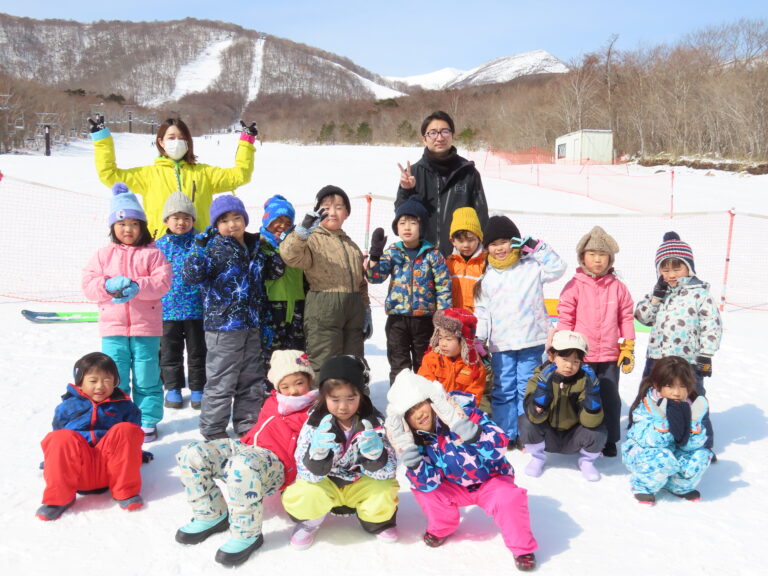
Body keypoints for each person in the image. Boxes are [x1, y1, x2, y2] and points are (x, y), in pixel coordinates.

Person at [175, 350, 318, 566]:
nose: (293, 391)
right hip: (246, 448)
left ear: (309, 380)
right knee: (191, 454)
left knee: (241, 469)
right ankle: (211, 514)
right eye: (285, 386)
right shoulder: (273, 402)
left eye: (299, 383)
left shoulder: (315, 412)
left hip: (277, 465)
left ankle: (247, 533)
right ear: (277, 387)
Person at [384, 370, 537, 572]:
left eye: (420, 404)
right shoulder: (417, 441)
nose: (418, 414)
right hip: (454, 487)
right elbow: (428, 483)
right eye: (410, 412)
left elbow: (500, 446)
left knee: (508, 499)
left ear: (431, 400)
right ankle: (442, 527)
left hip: (491, 481)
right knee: (423, 490)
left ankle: (522, 548)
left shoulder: (464, 413)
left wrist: (474, 434)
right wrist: (415, 465)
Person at [82, 183, 172, 442]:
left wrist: (138, 286)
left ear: (142, 226)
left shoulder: (153, 254)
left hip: (147, 328)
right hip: (113, 329)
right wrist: (106, 285)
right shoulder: (102, 255)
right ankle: (116, 418)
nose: (128, 229)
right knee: (114, 377)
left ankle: (147, 420)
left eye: (134, 224)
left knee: (147, 376)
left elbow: (163, 282)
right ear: (113, 227)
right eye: (122, 224)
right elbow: (88, 285)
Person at [281, 355, 399, 549]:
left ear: (361, 396)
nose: (343, 406)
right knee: (304, 491)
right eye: (335, 399)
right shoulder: (314, 423)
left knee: (384, 488)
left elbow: (389, 470)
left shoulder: (373, 422)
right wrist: (316, 458)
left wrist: (377, 458)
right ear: (323, 397)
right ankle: (310, 522)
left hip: (359, 482)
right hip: (326, 483)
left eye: (351, 399)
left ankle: (378, 523)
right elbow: (304, 471)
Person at [474, 215, 567, 447]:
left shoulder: (532, 266)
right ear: (487, 249)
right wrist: (478, 338)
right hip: (502, 344)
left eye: (504, 242)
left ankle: (526, 435)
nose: (499, 248)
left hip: (531, 340)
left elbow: (558, 268)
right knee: (503, 389)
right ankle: (506, 434)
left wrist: (537, 248)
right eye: (493, 244)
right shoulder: (487, 279)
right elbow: (483, 312)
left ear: (515, 242)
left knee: (527, 388)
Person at [182, 195, 269, 440]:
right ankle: (213, 428)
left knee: (251, 377)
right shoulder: (213, 248)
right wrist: (197, 251)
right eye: (224, 220)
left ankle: (246, 424)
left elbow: (271, 274)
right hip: (223, 327)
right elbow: (190, 276)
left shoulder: (255, 247)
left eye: (236, 218)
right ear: (216, 225)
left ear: (244, 219)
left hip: (251, 323)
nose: (232, 224)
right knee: (222, 380)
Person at [90, 116, 257, 238]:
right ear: (161, 142)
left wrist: (246, 142)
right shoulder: (147, 175)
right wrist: (102, 140)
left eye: (182, 138)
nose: (177, 142)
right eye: (171, 138)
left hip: (199, 246)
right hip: (160, 246)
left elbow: (240, 175)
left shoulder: (204, 173)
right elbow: (109, 175)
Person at [634, 231, 722, 452]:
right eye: (665, 269)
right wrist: (656, 296)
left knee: (695, 400)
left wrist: (706, 354)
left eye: (676, 268)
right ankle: (647, 438)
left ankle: (702, 444)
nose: (671, 274)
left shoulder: (700, 293)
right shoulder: (659, 292)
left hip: (688, 361)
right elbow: (642, 316)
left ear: (689, 267)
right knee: (651, 397)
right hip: (657, 358)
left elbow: (711, 325)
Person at [36, 352, 145, 521]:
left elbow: (133, 437)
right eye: (93, 381)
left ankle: (125, 493)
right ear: (79, 382)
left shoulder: (125, 406)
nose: (100, 386)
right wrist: (53, 460)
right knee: (60, 437)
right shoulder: (67, 407)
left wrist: (137, 453)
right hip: (78, 470)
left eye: (107, 380)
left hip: (111, 469)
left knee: (126, 430)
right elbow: (58, 437)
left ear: (115, 381)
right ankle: (57, 500)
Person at [557, 226, 635, 457]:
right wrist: (563, 348)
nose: (597, 259)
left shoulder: (618, 288)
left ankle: (609, 439)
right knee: (580, 398)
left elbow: (626, 317)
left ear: (610, 259)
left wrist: (628, 346)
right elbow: (565, 317)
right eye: (592, 254)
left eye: (602, 255)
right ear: (582, 258)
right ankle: (577, 435)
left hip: (610, 356)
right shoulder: (574, 286)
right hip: (582, 357)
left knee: (610, 399)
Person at [280, 185, 372, 372]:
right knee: (324, 362)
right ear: (317, 211)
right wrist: (302, 232)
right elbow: (289, 255)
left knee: (354, 362)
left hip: (353, 309)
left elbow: (361, 281)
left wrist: (366, 307)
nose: (333, 212)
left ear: (347, 213)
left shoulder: (351, 245)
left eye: (339, 207)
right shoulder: (311, 239)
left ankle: (357, 399)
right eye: (326, 207)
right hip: (323, 307)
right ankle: (322, 401)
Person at [367, 196, 451, 383]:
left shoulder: (433, 254)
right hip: (397, 320)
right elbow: (375, 277)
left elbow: (443, 287)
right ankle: (402, 407)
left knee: (425, 364)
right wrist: (375, 255)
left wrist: (443, 318)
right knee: (399, 365)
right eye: (402, 222)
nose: (407, 227)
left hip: (425, 320)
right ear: (396, 227)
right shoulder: (392, 252)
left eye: (413, 222)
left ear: (421, 227)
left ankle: (425, 407)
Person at [396, 110, 489, 257]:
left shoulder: (468, 173)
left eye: (444, 131)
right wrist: (405, 190)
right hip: (422, 257)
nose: (439, 137)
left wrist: (482, 250)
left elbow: (481, 215)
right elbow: (401, 216)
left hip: (459, 257)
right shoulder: (413, 173)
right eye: (432, 133)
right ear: (424, 139)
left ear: (452, 135)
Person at [622, 356, 712, 505]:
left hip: (674, 454)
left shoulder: (690, 406)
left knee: (702, 454)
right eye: (670, 386)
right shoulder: (648, 405)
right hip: (645, 454)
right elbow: (648, 441)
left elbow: (691, 446)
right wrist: (661, 425)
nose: (677, 393)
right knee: (661, 456)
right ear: (657, 384)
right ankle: (643, 486)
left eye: (682, 386)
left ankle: (678, 486)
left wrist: (694, 425)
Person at [519, 330, 607, 481]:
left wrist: (592, 396)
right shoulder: (537, 379)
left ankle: (586, 462)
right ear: (552, 356)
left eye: (576, 361)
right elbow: (534, 417)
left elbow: (590, 422)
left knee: (599, 430)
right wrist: (542, 394)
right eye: (564, 358)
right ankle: (538, 458)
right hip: (548, 436)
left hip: (574, 437)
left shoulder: (585, 382)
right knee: (525, 421)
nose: (569, 365)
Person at [155, 191, 206, 410]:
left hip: (197, 309)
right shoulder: (158, 245)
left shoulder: (201, 242)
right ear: (166, 220)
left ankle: (198, 388)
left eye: (186, 218)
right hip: (167, 310)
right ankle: (173, 388)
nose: (181, 222)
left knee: (197, 352)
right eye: (176, 217)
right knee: (169, 353)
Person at [445, 207, 492, 412]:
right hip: (455, 328)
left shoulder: (486, 263)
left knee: (479, 371)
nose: (466, 245)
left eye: (471, 239)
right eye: (460, 239)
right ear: (452, 240)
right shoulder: (448, 263)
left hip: (479, 328)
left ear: (479, 238)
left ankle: (481, 409)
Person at [259, 195, 307, 371]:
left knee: (296, 355)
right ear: (267, 220)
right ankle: (269, 392)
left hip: (296, 306)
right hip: (271, 308)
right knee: (271, 355)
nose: (282, 225)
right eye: (277, 220)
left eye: (288, 222)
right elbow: (272, 273)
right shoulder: (260, 245)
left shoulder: (296, 244)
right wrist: (281, 248)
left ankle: (296, 393)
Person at [418, 308, 486, 405]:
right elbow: (424, 384)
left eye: (448, 339)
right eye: (440, 338)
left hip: (460, 413)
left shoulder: (475, 368)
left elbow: (474, 396)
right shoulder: (432, 359)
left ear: (464, 342)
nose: (443, 343)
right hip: (434, 408)